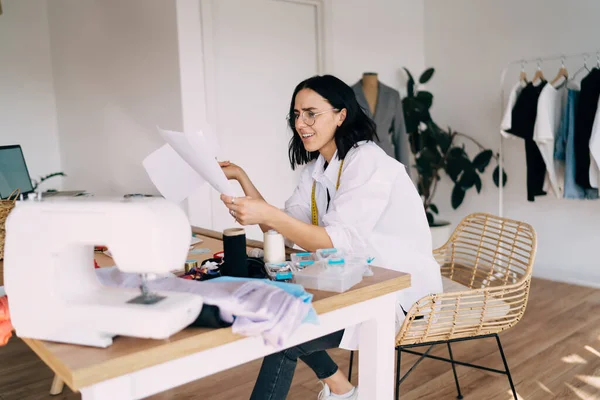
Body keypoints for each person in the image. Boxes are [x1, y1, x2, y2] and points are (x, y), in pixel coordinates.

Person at [219, 75, 443, 400]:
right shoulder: (318, 168)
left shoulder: (367, 162)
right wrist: (241, 177)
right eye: (296, 115)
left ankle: (342, 389)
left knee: (286, 330)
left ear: (341, 115)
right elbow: (278, 230)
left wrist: (266, 214)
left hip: (398, 294)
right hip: (353, 280)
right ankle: (343, 389)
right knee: (281, 315)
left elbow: (334, 241)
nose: (301, 123)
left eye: (311, 113)